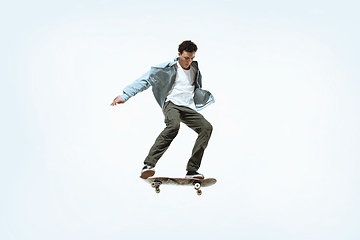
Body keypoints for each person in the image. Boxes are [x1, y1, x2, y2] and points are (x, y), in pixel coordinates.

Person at [110, 40, 215, 179]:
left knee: (206, 127)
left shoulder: (195, 69)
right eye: (186, 58)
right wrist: (125, 95)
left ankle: (192, 171)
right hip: (171, 104)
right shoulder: (167, 68)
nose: (188, 61)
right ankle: (149, 164)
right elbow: (146, 80)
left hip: (188, 107)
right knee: (173, 126)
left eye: (192, 58)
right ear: (179, 54)